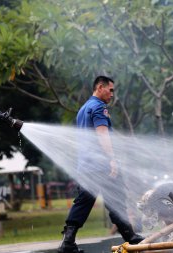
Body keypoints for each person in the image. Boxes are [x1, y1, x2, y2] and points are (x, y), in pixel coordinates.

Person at [58, 76, 143, 253]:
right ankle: (131, 237)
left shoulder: (83, 108)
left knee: (84, 201)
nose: (112, 94)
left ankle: (68, 242)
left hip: (87, 166)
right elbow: (102, 135)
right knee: (115, 198)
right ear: (99, 87)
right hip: (101, 165)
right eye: (110, 90)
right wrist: (112, 159)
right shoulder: (98, 107)